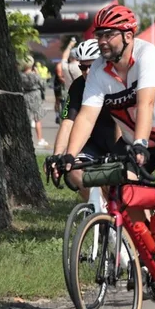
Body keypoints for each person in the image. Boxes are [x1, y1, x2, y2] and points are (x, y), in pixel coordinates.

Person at [63, 3, 155, 307]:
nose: (101, 40)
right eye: (99, 34)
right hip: (139, 140)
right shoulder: (99, 69)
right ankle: (152, 256)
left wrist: (140, 142)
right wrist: (68, 155)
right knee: (121, 190)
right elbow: (87, 116)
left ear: (128, 35)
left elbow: (146, 104)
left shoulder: (147, 54)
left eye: (108, 34)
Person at [47, 39, 115, 198]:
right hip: (94, 142)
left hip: (117, 140)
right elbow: (67, 122)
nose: (87, 72)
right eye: (83, 67)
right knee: (73, 170)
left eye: (92, 66)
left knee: (117, 188)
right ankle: (97, 213)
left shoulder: (115, 82)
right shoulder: (78, 86)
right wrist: (57, 155)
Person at [19, 58, 48, 147]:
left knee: (26, 118)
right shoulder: (35, 75)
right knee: (37, 118)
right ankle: (39, 139)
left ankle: (24, 138)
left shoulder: (20, 75)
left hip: (25, 95)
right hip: (36, 95)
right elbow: (43, 85)